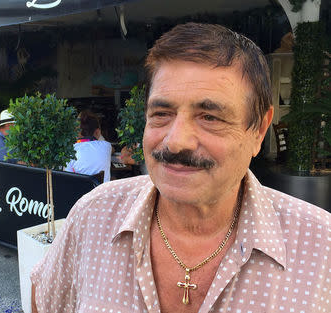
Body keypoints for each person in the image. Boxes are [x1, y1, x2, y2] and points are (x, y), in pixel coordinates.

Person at [30, 23, 330, 313]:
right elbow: (43, 301)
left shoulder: (321, 248)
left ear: (259, 130)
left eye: (209, 117)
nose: (176, 143)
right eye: (162, 113)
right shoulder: (92, 217)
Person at [64, 110, 112, 182]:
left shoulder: (70, 151)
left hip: (80, 192)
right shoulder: (107, 146)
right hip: (102, 192)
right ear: (98, 131)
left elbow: (68, 179)